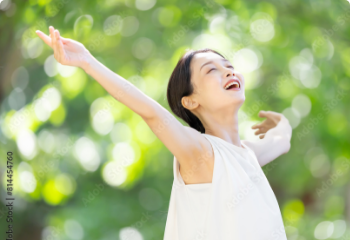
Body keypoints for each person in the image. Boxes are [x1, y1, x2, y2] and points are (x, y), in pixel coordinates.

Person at [36, 26, 292, 240]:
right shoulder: (200, 152)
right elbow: (151, 113)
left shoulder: (246, 155)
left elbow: (281, 142)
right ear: (190, 101)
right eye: (211, 70)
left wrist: (283, 126)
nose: (228, 71)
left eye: (228, 65)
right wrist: (87, 62)